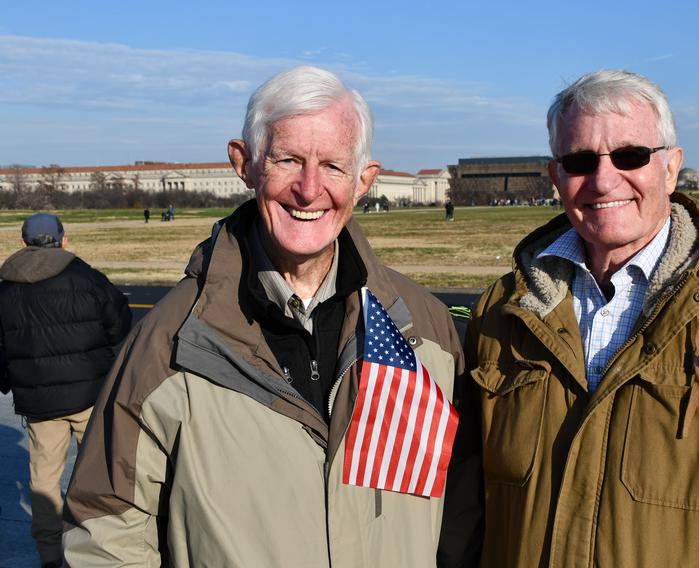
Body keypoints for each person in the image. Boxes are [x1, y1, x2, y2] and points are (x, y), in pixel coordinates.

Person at [63, 66, 475, 567]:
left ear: (364, 180)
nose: (308, 188)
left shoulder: (425, 330)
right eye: (288, 160)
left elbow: (464, 513)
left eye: (333, 166)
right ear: (246, 164)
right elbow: (107, 529)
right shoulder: (170, 341)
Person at [463, 69, 699, 566]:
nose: (604, 180)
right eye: (580, 161)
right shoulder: (500, 313)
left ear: (671, 167)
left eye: (630, 155)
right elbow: (463, 514)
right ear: (556, 177)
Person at [0, 213, 132, 568]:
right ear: (64, 239)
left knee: (43, 483)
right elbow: (120, 324)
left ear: (24, 242)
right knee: (99, 477)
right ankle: (99, 550)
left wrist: (7, 380)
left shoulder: (5, 285)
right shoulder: (87, 277)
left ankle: (50, 556)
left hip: (39, 403)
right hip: (91, 397)